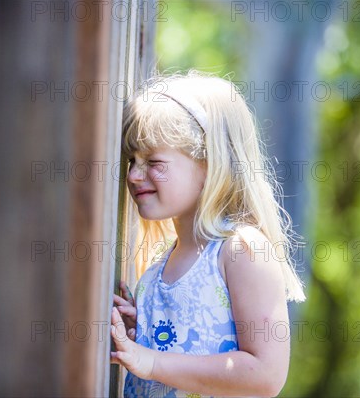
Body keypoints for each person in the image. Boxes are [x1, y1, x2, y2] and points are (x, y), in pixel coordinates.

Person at [110, 70, 306, 397]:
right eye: (132, 160)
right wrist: (140, 335)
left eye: (154, 161)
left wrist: (152, 361)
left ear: (209, 163)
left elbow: (266, 374)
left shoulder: (242, 249)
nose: (133, 175)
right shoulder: (162, 261)